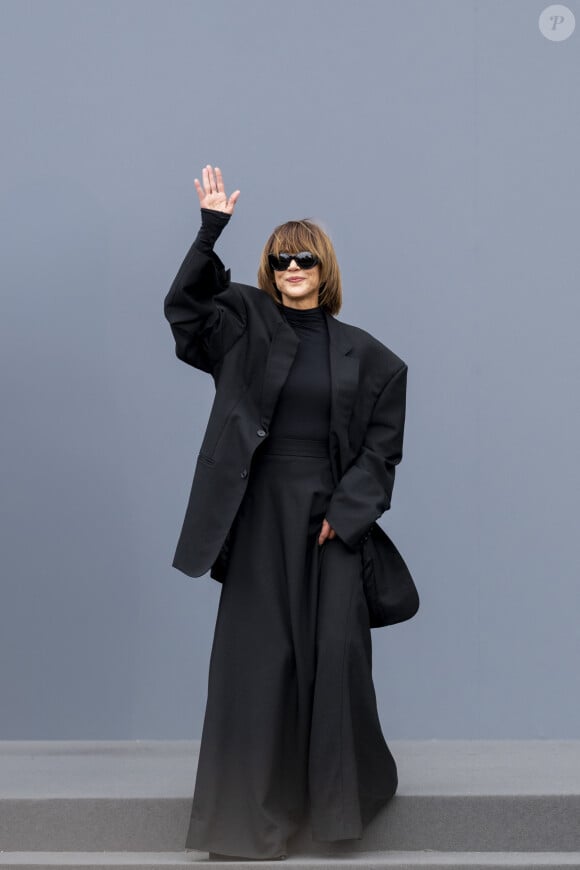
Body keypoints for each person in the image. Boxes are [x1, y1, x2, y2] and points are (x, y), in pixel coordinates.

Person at [164, 165, 409, 861]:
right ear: (269, 269)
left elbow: (381, 451)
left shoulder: (375, 359)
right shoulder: (241, 326)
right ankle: (246, 828)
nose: (292, 267)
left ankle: (337, 814)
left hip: (332, 519)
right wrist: (212, 228)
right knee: (256, 661)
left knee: (335, 657)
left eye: (304, 258)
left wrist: (349, 511)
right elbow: (183, 311)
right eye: (281, 258)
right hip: (258, 513)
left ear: (322, 268)